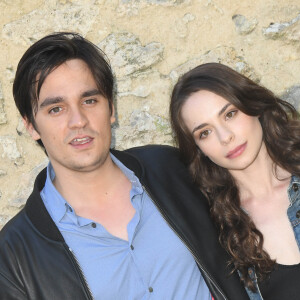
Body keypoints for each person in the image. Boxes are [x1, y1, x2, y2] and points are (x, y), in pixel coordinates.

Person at [0, 33, 249, 300]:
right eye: (56, 109)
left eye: (89, 101)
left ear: (112, 108)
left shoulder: (172, 169)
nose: (78, 120)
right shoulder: (13, 255)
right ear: (30, 125)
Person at [170, 62, 300, 300]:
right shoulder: (217, 233)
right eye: (205, 132)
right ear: (198, 149)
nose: (225, 137)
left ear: (254, 106)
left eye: (230, 114)